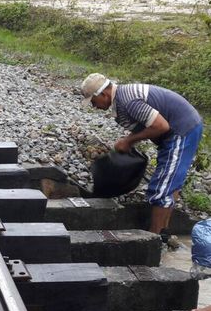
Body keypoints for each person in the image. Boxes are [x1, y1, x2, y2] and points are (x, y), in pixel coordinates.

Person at [81, 73, 203, 244]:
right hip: (177, 131)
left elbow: (161, 126)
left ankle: (152, 240)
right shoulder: (122, 99)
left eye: (93, 102)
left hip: (182, 130)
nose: (94, 106)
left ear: (104, 94)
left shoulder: (127, 101)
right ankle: (164, 234)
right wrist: (128, 141)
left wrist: (129, 140)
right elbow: (149, 124)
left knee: (161, 188)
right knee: (170, 182)